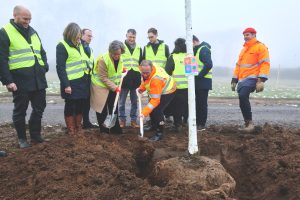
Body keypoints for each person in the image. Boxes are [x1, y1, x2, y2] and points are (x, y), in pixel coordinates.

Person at [0, 6, 49, 148]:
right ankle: (22, 139)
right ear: (15, 15)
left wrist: (44, 66)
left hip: (38, 78)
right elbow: (1, 59)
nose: (28, 22)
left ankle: (35, 136)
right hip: (19, 80)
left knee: (39, 107)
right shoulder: (5, 32)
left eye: (29, 19)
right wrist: (8, 81)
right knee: (20, 110)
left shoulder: (33, 32)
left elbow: (42, 52)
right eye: (25, 19)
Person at [231, 27, 270, 132]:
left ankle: (250, 124)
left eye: (247, 35)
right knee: (242, 98)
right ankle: (248, 123)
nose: (245, 37)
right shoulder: (243, 50)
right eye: (244, 35)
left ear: (254, 35)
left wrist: (261, 79)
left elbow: (265, 63)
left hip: (253, 78)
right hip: (243, 79)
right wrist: (234, 79)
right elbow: (238, 65)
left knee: (243, 95)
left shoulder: (260, 47)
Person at [56, 23, 89, 136]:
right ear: (72, 34)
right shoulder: (62, 45)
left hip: (82, 80)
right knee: (70, 105)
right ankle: (71, 129)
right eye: (78, 35)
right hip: (70, 82)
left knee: (80, 104)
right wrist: (66, 85)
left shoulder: (79, 45)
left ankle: (78, 127)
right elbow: (60, 68)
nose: (79, 38)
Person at [90, 40, 125, 134]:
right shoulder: (103, 60)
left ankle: (115, 129)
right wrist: (115, 88)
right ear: (111, 52)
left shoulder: (120, 57)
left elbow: (115, 69)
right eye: (115, 54)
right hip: (100, 86)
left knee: (114, 107)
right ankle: (104, 131)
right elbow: (103, 77)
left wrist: (122, 69)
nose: (117, 56)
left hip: (113, 86)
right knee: (102, 109)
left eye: (119, 54)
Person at [137, 60, 176, 141]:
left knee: (157, 110)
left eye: (147, 73)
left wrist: (144, 113)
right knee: (152, 109)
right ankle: (153, 125)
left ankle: (159, 132)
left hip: (168, 90)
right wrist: (141, 88)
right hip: (159, 88)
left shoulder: (156, 80)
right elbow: (146, 81)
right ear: (140, 68)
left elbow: (155, 100)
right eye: (143, 72)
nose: (144, 75)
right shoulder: (149, 69)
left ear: (151, 69)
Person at [119, 29, 142, 128]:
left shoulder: (139, 48)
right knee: (122, 101)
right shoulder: (121, 47)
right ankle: (122, 120)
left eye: (133, 37)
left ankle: (133, 121)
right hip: (124, 77)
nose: (132, 39)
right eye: (130, 37)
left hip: (135, 78)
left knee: (134, 101)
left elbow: (141, 62)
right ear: (126, 36)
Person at [165, 38, 188, 132]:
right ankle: (185, 122)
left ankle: (177, 125)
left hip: (176, 87)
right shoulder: (189, 56)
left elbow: (167, 72)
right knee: (186, 106)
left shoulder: (173, 57)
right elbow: (193, 73)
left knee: (176, 107)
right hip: (188, 87)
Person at [192, 35, 213, 131]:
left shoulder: (203, 49)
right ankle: (198, 123)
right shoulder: (197, 50)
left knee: (201, 103)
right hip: (199, 81)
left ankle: (201, 124)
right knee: (198, 103)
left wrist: (199, 76)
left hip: (203, 81)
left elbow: (209, 64)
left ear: (194, 41)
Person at [81, 28, 98, 129]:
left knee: (87, 102)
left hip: (89, 78)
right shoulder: (78, 47)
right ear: (82, 35)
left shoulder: (90, 49)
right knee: (79, 102)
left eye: (91, 36)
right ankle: (77, 124)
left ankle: (86, 122)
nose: (90, 38)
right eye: (88, 36)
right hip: (80, 78)